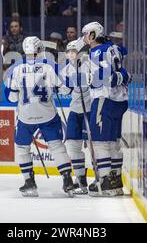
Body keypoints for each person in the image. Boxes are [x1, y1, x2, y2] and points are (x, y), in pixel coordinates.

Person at [5, 36, 77, 197]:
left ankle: (29, 182)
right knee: (56, 146)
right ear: (39, 50)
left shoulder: (15, 69)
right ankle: (67, 180)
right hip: (48, 115)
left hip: (26, 117)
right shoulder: (50, 66)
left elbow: (11, 98)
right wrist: (57, 88)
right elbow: (66, 90)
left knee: (22, 148)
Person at [81, 22, 130, 196]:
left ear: (93, 35)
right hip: (120, 101)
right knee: (113, 141)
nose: (84, 37)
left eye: (86, 34)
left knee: (100, 141)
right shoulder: (114, 48)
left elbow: (104, 77)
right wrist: (122, 77)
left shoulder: (96, 52)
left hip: (104, 99)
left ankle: (105, 181)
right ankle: (116, 181)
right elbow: (125, 74)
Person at [60, 38, 92, 194]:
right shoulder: (65, 70)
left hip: (90, 110)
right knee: (73, 146)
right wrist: (58, 85)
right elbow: (65, 91)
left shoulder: (89, 66)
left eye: (74, 51)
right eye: (68, 52)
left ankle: (101, 177)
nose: (71, 54)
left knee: (94, 146)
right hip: (75, 111)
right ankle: (80, 179)